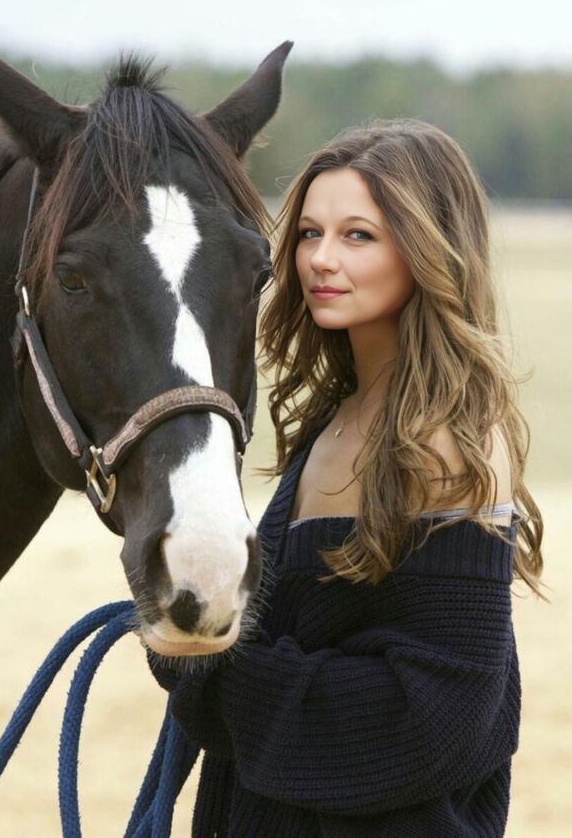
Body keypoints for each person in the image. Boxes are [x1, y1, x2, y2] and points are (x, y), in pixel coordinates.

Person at [146, 119, 545, 836]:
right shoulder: (338, 417)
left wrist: (213, 668)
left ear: (429, 247)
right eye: (309, 233)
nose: (321, 259)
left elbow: (434, 718)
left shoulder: (449, 443)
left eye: (358, 235)